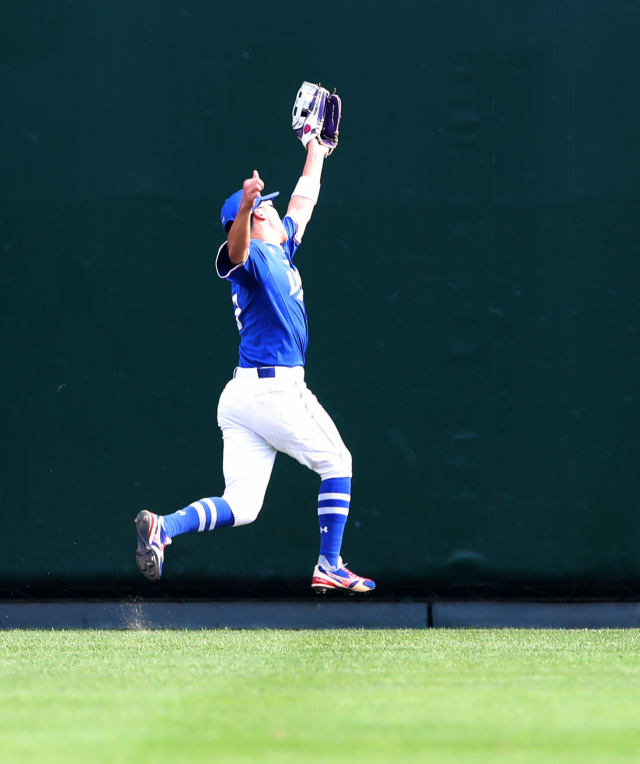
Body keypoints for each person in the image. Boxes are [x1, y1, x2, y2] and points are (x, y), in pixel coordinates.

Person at [135, 133, 374, 593]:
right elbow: (237, 252)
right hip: (275, 391)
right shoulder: (253, 257)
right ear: (255, 216)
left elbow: (304, 201)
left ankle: (163, 528)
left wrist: (316, 151)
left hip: (243, 396)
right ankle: (330, 563)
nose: (272, 209)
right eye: (264, 205)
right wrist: (244, 207)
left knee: (242, 505)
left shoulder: (281, 250)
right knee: (338, 461)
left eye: (263, 205)